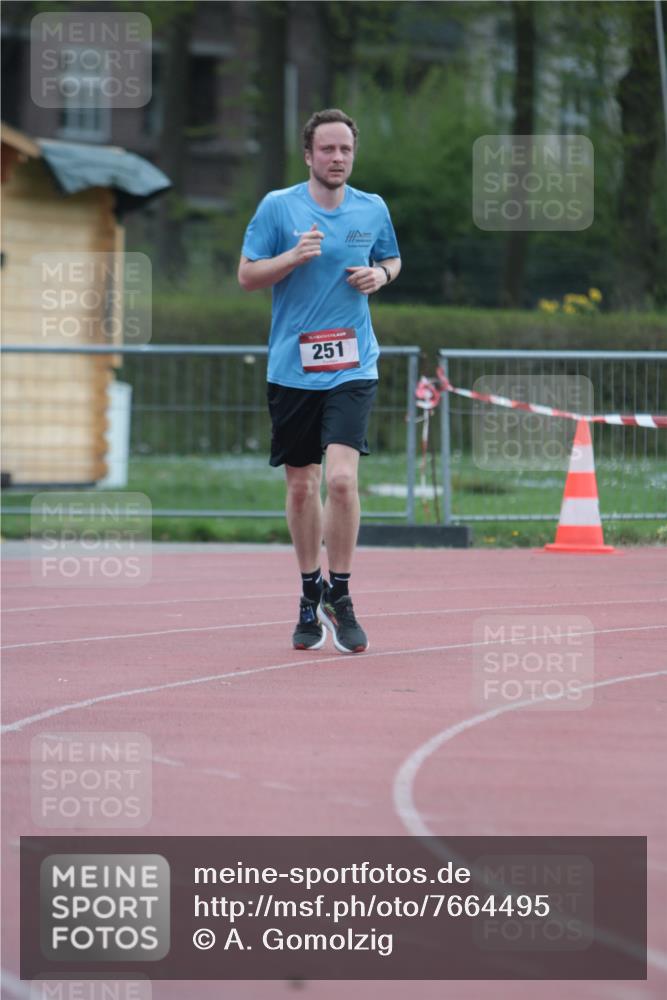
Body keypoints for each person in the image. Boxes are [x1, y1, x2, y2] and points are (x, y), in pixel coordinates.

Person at [238, 108, 401, 654]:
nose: (337, 158)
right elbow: (246, 275)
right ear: (308, 155)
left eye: (345, 150)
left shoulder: (371, 209)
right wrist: (291, 256)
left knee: (341, 482)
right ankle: (311, 592)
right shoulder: (278, 207)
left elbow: (392, 258)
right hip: (294, 369)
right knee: (303, 485)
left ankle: (344, 593)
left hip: (353, 365)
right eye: (327, 149)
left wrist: (381, 274)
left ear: (354, 155)